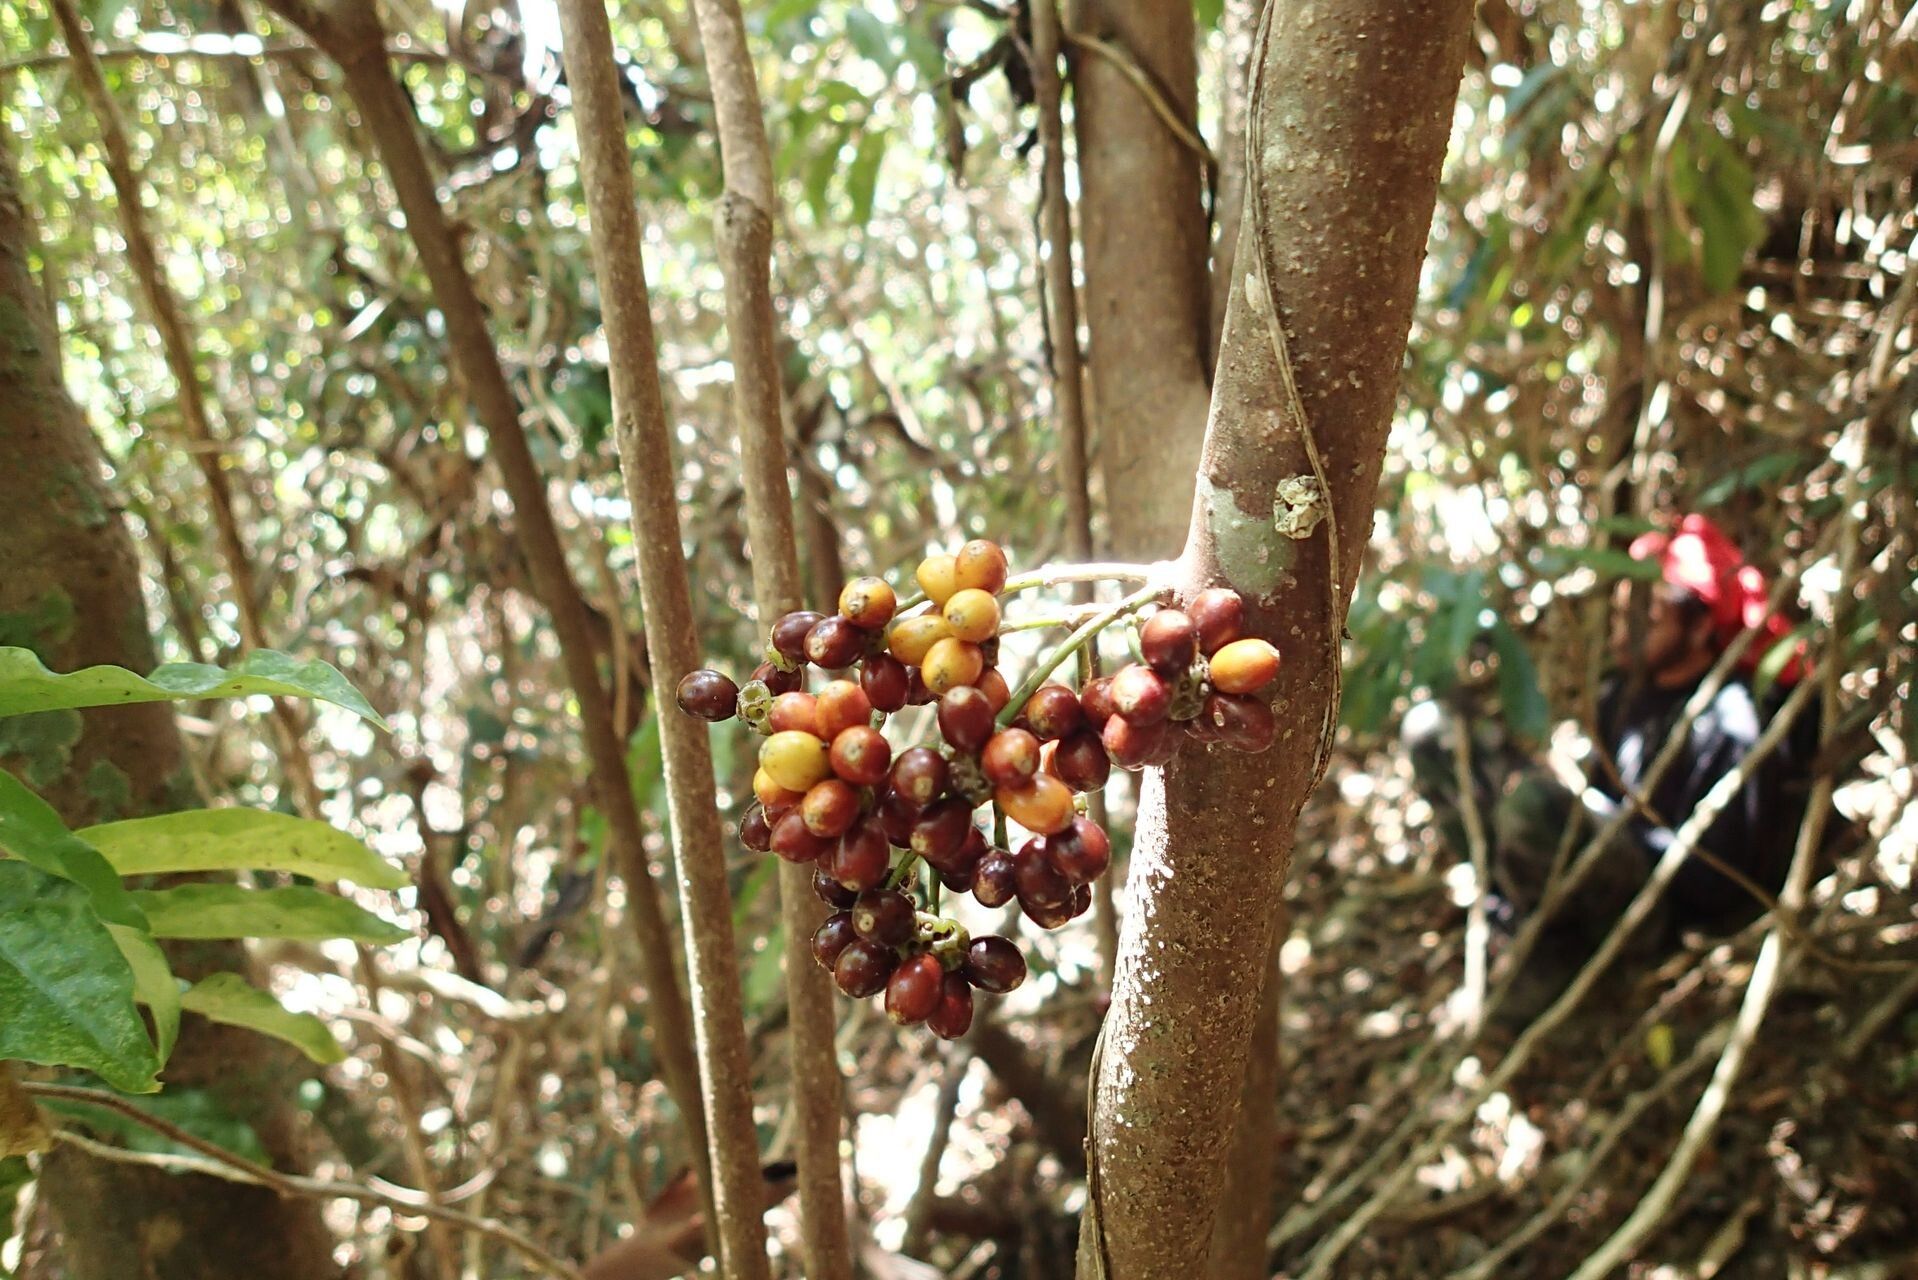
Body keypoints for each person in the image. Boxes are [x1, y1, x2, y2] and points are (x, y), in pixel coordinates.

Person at [1405, 514, 1822, 1016]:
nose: (1624, 633)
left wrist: (1603, 826)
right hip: (1596, 872)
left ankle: (1558, 955)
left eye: (1646, 619)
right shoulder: (1620, 696)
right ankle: (1514, 919)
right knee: (1434, 732)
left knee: (1537, 806)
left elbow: (1719, 882)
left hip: (1655, 909)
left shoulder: (1730, 720)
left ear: (1701, 625)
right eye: (1624, 616)